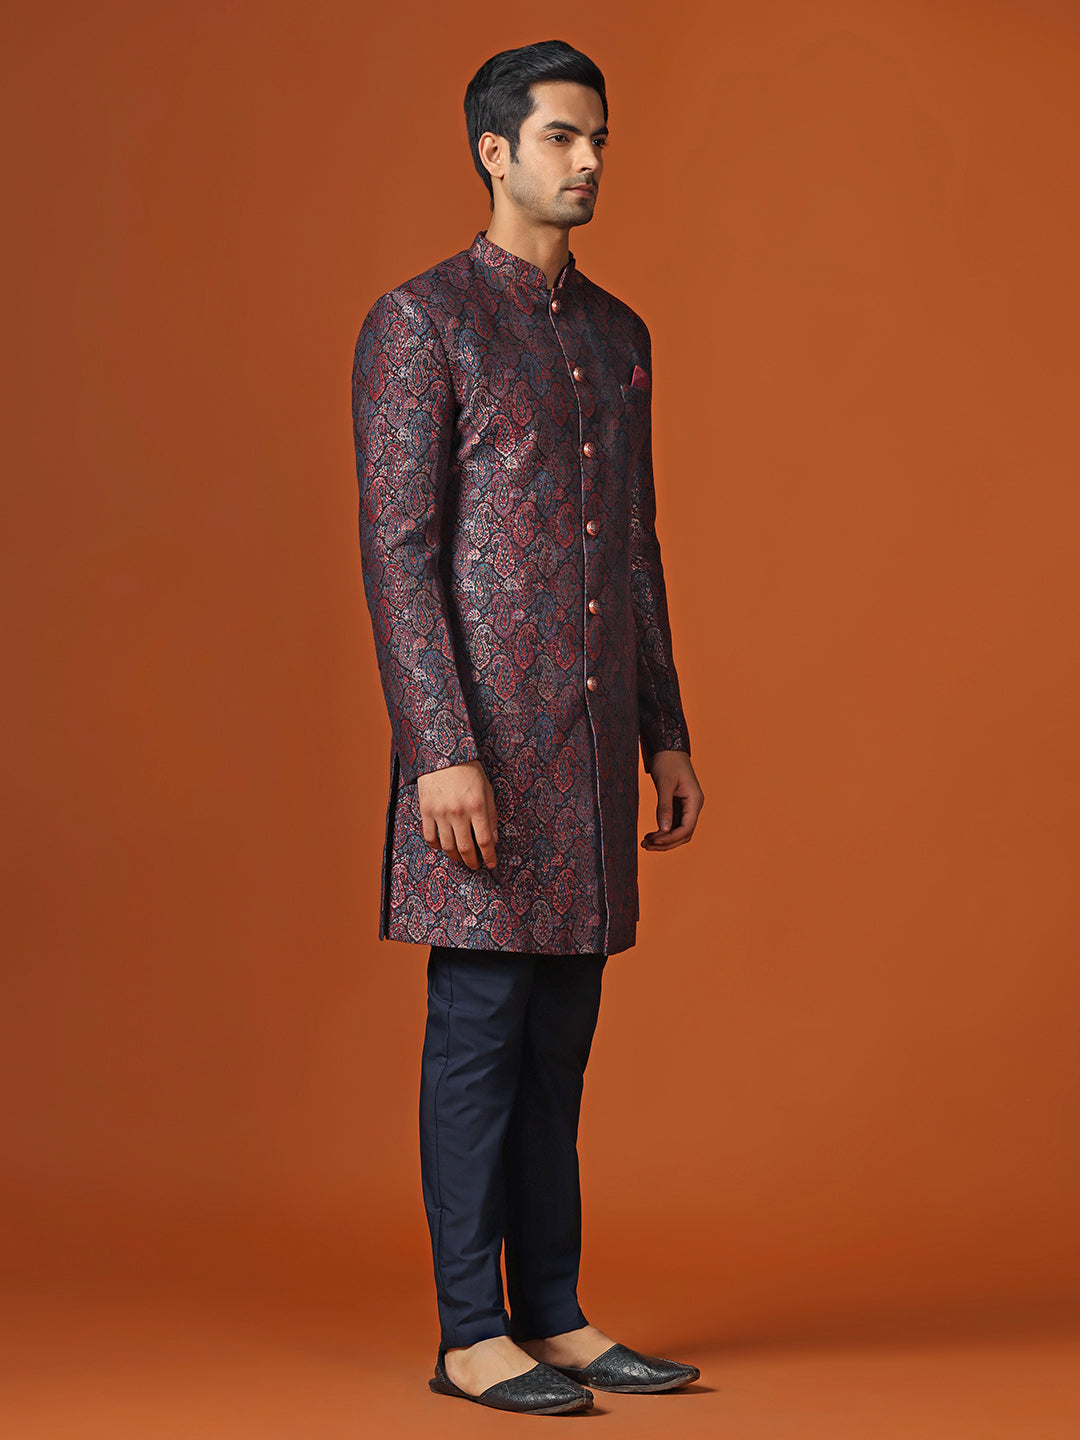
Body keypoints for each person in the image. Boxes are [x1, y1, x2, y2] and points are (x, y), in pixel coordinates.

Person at [351, 38, 705, 1416]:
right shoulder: (421, 322)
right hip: (481, 755)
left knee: (561, 1043)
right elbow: (401, 554)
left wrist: (665, 730)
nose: (590, 159)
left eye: (598, 136)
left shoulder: (619, 336)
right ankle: (468, 1331)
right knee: (481, 1033)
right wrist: (439, 748)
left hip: (592, 745)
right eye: (562, 136)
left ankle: (551, 1312)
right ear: (493, 150)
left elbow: (637, 547)